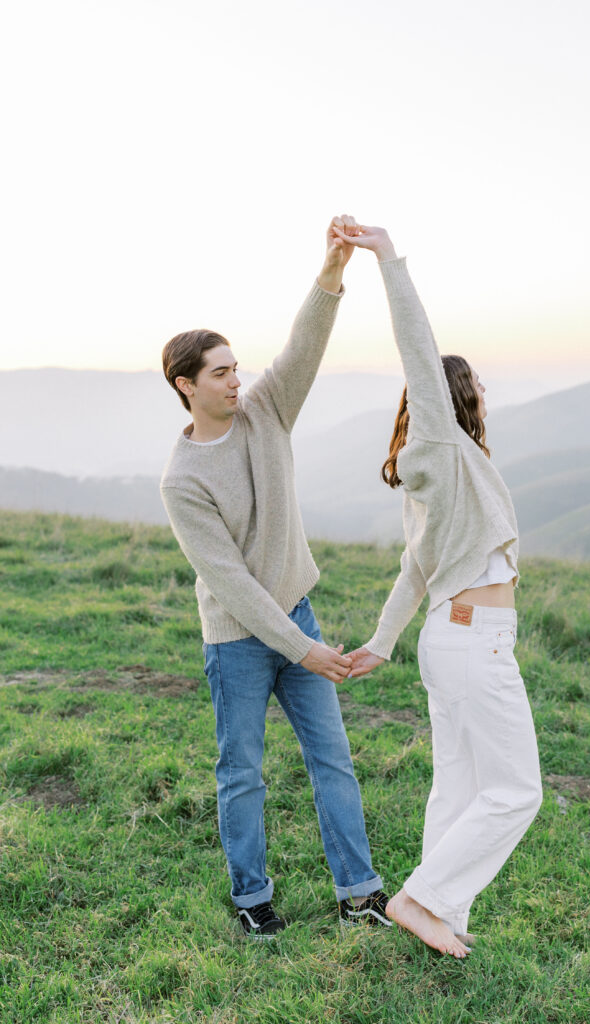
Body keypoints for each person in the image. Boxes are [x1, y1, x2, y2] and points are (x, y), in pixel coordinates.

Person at [159, 216, 391, 939]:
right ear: (186, 386)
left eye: (236, 367)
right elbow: (229, 582)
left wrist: (331, 270)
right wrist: (302, 649)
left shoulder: (266, 412)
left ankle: (360, 894)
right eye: (221, 372)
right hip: (238, 640)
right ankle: (252, 900)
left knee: (333, 762)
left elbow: (303, 348)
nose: (238, 380)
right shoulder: (181, 481)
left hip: (299, 617)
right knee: (242, 774)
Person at [334, 223, 543, 958]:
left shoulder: (443, 474)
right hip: (470, 642)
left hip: (450, 639)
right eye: (477, 382)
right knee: (517, 790)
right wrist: (390, 258)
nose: (485, 390)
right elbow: (418, 349)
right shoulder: (439, 444)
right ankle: (422, 898)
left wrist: (380, 643)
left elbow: (412, 568)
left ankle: (439, 914)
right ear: (455, 393)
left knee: (456, 788)